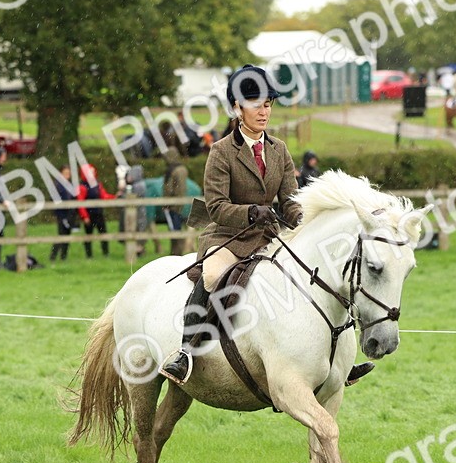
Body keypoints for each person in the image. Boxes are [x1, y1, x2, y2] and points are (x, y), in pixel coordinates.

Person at [160, 64, 373, 388]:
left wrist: (303, 219)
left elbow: (290, 200)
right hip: (229, 236)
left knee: (320, 272)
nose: (264, 112)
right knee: (213, 275)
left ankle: (337, 359)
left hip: (270, 236)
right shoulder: (221, 151)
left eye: (268, 104)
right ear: (237, 108)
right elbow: (216, 207)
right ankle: (186, 351)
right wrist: (249, 213)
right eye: (256, 105)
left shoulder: (279, 149)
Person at [79, 162, 111, 258]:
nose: (92, 174)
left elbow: (104, 196)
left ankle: (106, 254)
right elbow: (80, 204)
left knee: (103, 234)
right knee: (89, 236)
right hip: (89, 215)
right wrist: (85, 217)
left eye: (93, 172)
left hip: (98, 213)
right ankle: (89, 256)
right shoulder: (82, 186)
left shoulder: (97, 184)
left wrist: (115, 197)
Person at [163, 147, 189, 256]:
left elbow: (178, 189)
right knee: (174, 229)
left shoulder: (177, 170)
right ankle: (175, 253)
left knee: (175, 229)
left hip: (175, 205)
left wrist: (174, 203)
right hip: (175, 204)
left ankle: (177, 253)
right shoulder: (176, 169)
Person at [50, 165, 77, 262]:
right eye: (65, 173)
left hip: (69, 213)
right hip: (61, 214)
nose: (67, 175)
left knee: (67, 235)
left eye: (68, 173)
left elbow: (73, 198)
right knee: (61, 235)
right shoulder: (58, 185)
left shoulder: (69, 185)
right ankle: (53, 257)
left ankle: (63, 257)